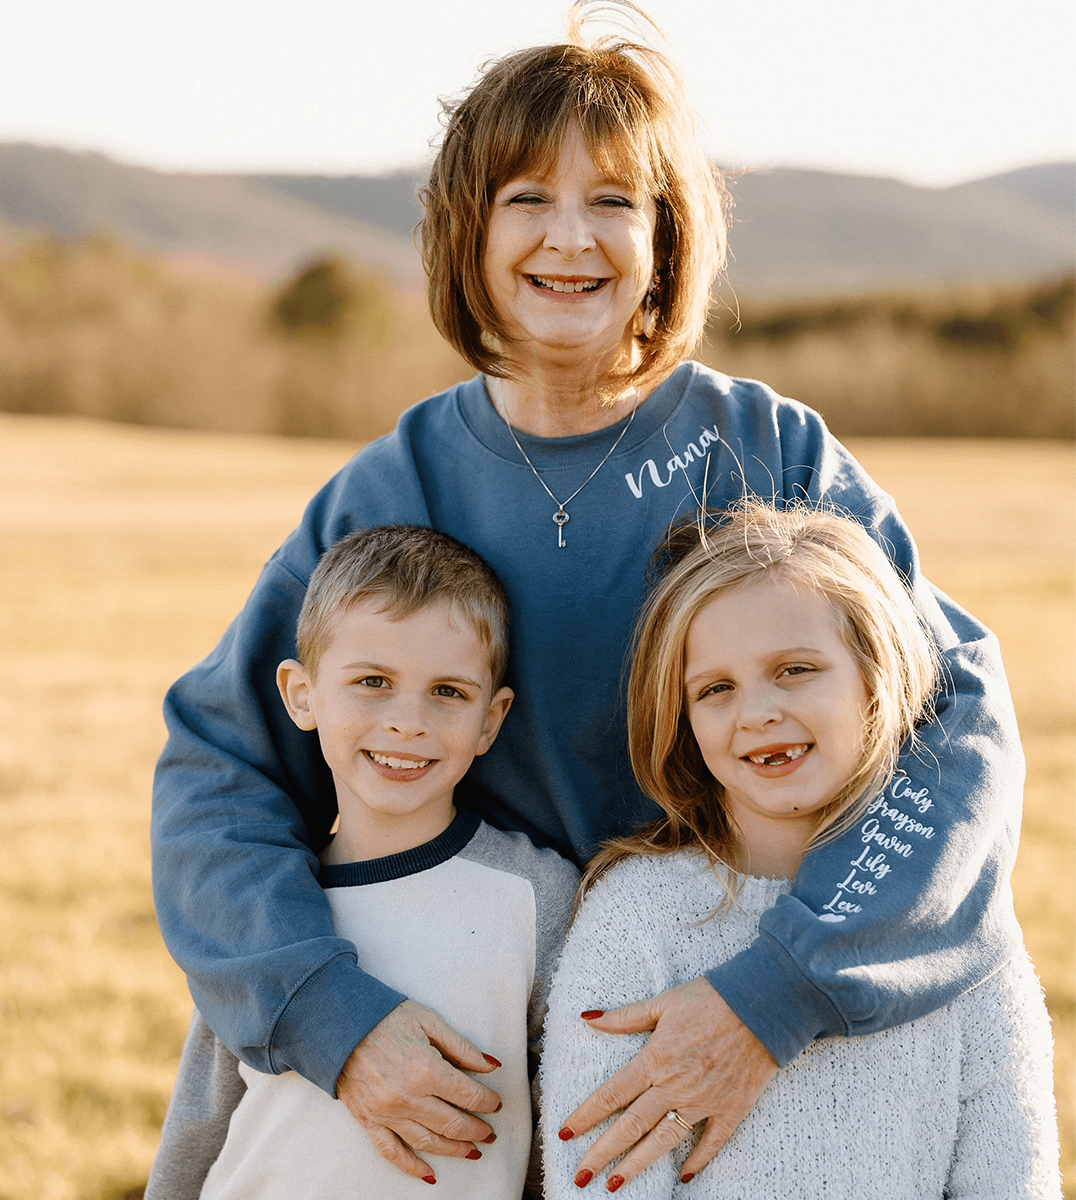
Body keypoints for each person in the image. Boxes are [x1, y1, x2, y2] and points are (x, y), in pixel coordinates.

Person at [150, 2, 1024, 1187]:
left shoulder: (772, 455)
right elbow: (218, 774)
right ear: (469, 230)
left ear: (667, 237)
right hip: (453, 1034)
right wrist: (329, 1013)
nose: (573, 238)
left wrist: (780, 989)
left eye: (614, 200)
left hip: (702, 1009)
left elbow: (952, 726)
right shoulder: (387, 491)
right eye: (528, 199)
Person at [540, 503, 1060, 1197]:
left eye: (794, 670)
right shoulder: (634, 920)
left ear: (876, 680)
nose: (756, 711)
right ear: (683, 718)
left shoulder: (957, 933)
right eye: (716, 688)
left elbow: (1012, 1180)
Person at [146, 525, 579, 1199]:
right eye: (373, 681)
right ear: (302, 695)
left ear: (491, 721)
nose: (408, 720)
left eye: (448, 692)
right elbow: (202, 1115)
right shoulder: (274, 909)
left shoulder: (536, 896)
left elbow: (560, 1127)